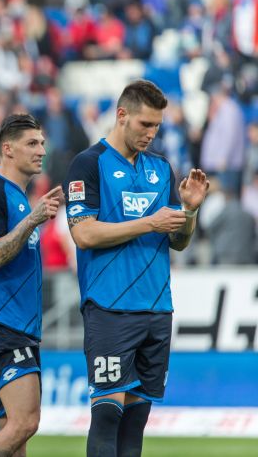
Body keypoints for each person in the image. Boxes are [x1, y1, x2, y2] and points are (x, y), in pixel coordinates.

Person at [63, 79, 208, 457]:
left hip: (157, 309)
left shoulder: (161, 168)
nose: (152, 133)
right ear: (122, 115)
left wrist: (189, 210)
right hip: (110, 308)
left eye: (157, 125)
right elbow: (84, 234)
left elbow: (178, 240)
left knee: (136, 424)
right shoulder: (88, 163)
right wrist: (150, 223)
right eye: (145, 124)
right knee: (107, 416)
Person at [0, 114, 63, 457]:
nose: (41, 150)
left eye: (42, 143)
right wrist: (34, 218)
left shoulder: (18, 197)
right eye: (32, 143)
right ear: (8, 149)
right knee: (25, 422)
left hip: (16, 326)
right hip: (2, 324)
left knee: (15, 436)